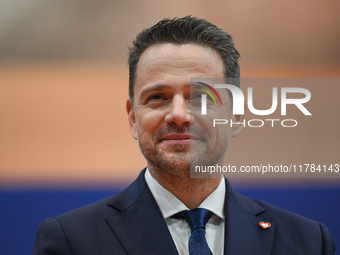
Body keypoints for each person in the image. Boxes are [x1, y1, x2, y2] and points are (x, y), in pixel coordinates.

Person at [33, 16, 336, 255]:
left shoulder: (307, 241)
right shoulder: (71, 241)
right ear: (132, 117)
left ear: (237, 116)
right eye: (157, 97)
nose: (178, 114)